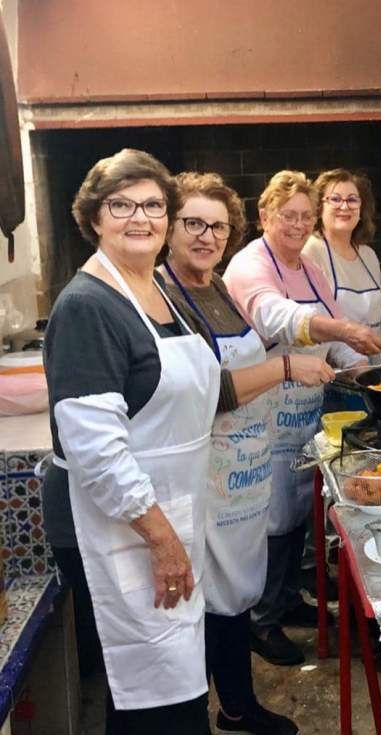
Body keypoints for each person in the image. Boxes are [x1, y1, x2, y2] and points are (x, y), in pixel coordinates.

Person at [43, 149, 219, 733]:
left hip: (167, 514)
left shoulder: (158, 291)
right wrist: (163, 540)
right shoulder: (87, 307)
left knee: (170, 681)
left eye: (153, 205)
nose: (140, 218)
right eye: (121, 205)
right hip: (123, 524)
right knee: (153, 689)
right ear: (94, 217)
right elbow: (96, 451)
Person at [160, 173, 334, 734]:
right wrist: (284, 367)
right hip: (208, 476)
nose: (206, 236)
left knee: (235, 594)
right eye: (193, 223)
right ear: (168, 227)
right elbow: (206, 394)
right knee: (213, 599)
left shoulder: (216, 287)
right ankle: (231, 707)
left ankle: (236, 703)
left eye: (217, 226)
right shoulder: (164, 298)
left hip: (245, 473)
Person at [224, 170, 381, 666]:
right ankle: (260, 621)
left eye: (304, 217)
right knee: (270, 515)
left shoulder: (309, 268)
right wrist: (344, 330)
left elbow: (336, 338)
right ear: (264, 216)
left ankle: (287, 599)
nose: (297, 225)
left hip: (303, 411)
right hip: (260, 413)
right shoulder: (250, 264)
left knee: (295, 508)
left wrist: (373, 376)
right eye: (286, 215)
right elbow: (275, 316)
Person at [302, 168, 381, 361]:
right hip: (332, 370)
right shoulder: (310, 252)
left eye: (352, 200)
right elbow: (310, 326)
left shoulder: (368, 256)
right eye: (335, 199)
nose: (345, 207)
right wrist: (357, 364)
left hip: (372, 368)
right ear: (319, 207)